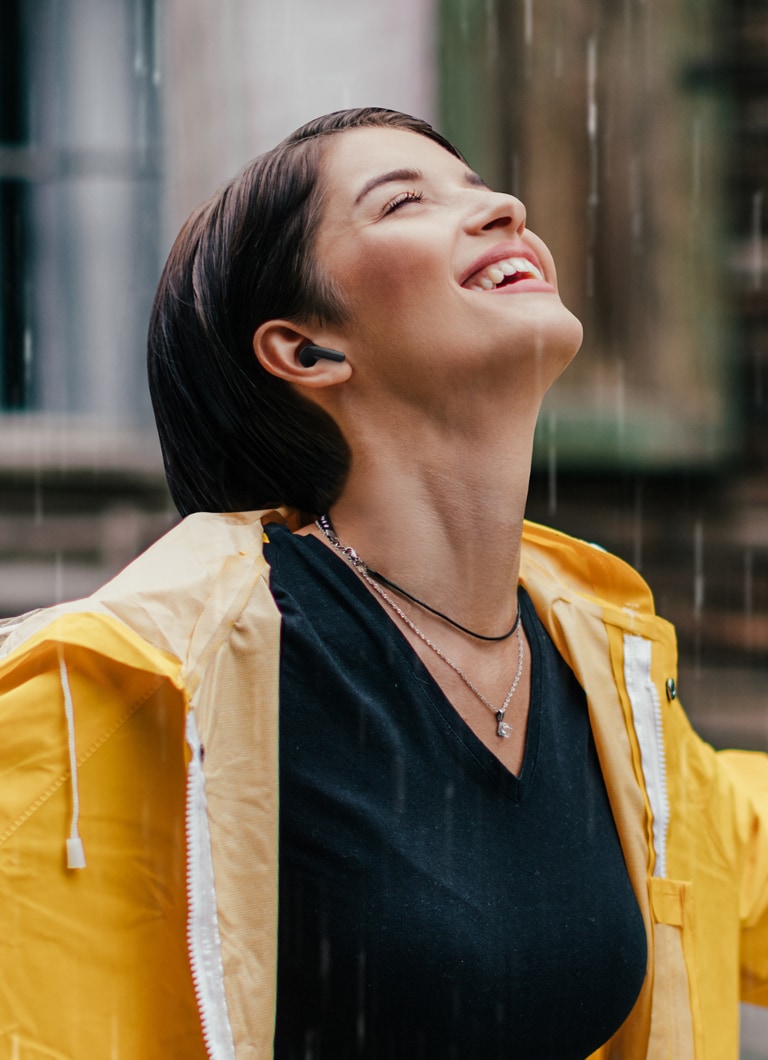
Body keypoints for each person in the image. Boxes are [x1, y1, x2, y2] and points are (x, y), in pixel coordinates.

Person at [2, 107, 768, 1059]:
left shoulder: (607, 677)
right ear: (307, 352)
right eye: (406, 199)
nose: (505, 206)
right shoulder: (136, 692)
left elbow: (742, 845)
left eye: (480, 184)